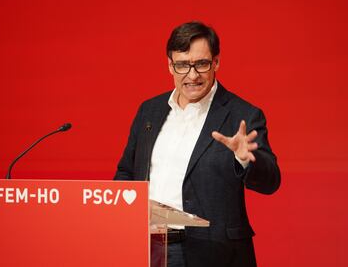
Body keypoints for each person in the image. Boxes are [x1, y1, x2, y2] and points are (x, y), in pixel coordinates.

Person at [114, 21, 281, 267]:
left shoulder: (241, 115)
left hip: (214, 253)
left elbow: (271, 181)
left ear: (216, 63)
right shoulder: (149, 111)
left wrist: (245, 160)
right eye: (182, 65)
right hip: (149, 247)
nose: (192, 75)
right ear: (170, 65)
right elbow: (127, 173)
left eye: (201, 64)